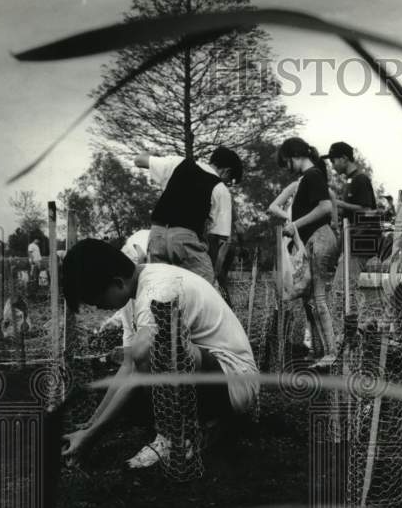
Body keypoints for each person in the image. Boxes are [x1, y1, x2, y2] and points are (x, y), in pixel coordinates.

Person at [59, 239, 260, 469]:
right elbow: (128, 367)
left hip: (236, 379)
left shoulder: (158, 290)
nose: (98, 308)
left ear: (117, 282)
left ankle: (173, 439)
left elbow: (142, 361)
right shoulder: (132, 296)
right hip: (212, 375)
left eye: (98, 300)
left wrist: (92, 436)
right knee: (135, 377)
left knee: (152, 349)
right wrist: (89, 426)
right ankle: (207, 425)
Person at [135, 146, 243, 287]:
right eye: (230, 180)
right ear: (226, 171)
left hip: (157, 236)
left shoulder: (177, 162)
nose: (228, 184)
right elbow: (220, 240)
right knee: (205, 291)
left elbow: (139, 160)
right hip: (185, 240)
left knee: (162, 290)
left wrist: (153, 153)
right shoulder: (220, 189)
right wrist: (214, 273)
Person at [274, 137, 340, 368]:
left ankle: (331, 353)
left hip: (320, 238)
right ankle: (320, 351)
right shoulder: (308, 179)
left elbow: (325, 207)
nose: (287, 168)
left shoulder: (313, 175)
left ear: (293, 156)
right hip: (313, 240)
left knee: (320, 299)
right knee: (311, 300)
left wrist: (296, 225)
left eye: (286, 162)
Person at [325, 141, 381, 312]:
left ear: (344, 158)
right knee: (344, 289)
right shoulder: (350, 181)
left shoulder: (360, 179)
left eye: (334, 161)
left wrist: (338, 202)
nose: (332, 165)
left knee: (343, 289)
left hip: (361, 243)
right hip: (351, 242)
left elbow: (367, 210)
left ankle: (350, 330)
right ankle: (354, 328)